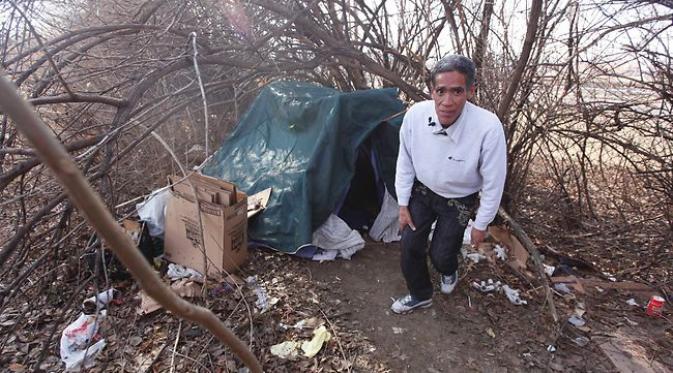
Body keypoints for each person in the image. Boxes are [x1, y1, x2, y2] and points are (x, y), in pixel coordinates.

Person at [391, 55, 507, 314]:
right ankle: (420, 294)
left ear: (470, 91)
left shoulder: (487, 127)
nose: (447, 101)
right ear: (432, 90)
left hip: (459, 200)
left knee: (442, 254)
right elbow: (405, 160)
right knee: (409, 244)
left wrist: (481, 223)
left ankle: (448, 270)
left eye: (457, 91)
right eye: (440, 91)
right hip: (422, 192)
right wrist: (402, 202)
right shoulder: (415, 116)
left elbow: (493, 181)